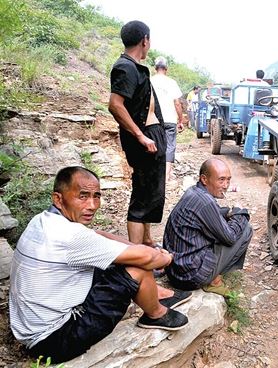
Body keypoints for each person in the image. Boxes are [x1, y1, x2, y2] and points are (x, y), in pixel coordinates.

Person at [9, 166, 191, 363]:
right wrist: (164, 257)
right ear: (58, 199)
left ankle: (156, 294)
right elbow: (147, 259)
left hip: (31, 328)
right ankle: (155, 314)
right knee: (136, 267)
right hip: (55, 340)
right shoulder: (71, 237)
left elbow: (99, 236)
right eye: (83, 196)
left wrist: (143, 250)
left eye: (97, 196)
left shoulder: (43, 221)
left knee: (117, 258)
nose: (93, 205)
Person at [108, 20, 166, 246]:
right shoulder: (126, 67)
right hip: (144, 140)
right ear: (145, 40)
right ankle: (137, 257)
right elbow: (115, 104)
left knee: (150, 193)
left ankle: (148, 242)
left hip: (151, 135)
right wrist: (141, 136)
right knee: (141, 199)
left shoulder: (134, 66)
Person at [163, 158, 252, 295]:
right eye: (221, 180)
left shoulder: (193, 192)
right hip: (190, 277)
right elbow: (230, 238)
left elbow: (210, 217)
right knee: (245, 229)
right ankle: (214, 280)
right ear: (204, 179)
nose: (226, 185)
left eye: (228, 180)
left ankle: (212, 274)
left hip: (175, 272)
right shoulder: (206, 202)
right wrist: (241, 214)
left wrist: (227, 214)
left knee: (229, 226)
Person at [151, 56, 184, 182]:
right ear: (166, 69)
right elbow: (177, 103)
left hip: (154, 120)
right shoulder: (171, 82)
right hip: (170, 120)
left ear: (155, 68)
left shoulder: (150, 81)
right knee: (169, 146)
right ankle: (166, 175)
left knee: (155, 144)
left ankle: (155, 174)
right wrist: (180, 120)